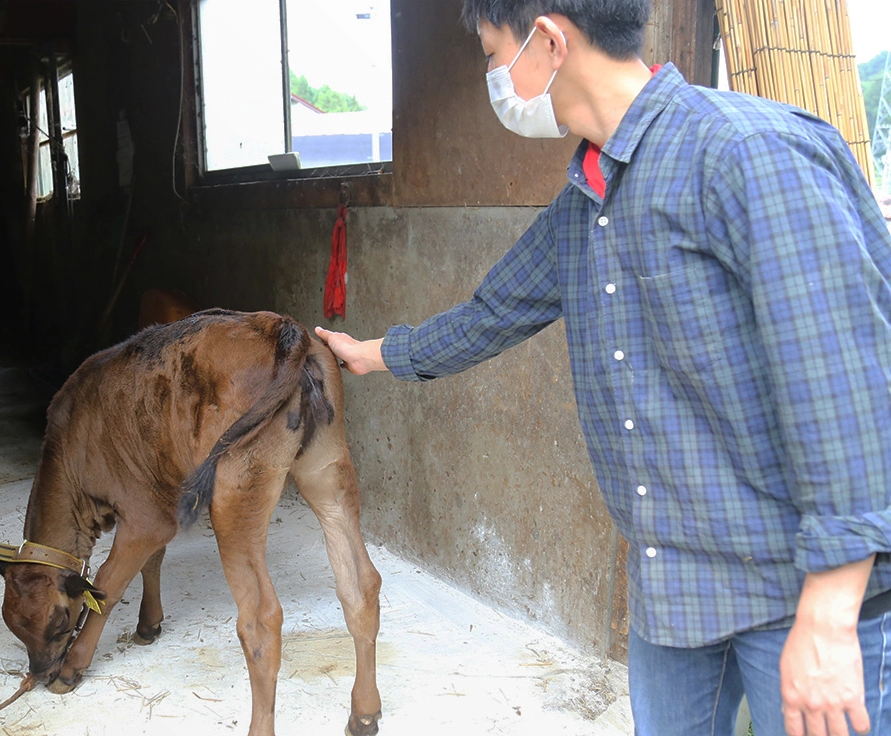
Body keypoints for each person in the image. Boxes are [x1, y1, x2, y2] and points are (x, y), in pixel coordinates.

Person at [314, 1, 891, 735]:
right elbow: (491, 313)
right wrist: (376, 354)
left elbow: (847, 390)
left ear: (550, 41)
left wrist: (832, 614)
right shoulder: (584, 201)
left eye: (494, 56)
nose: (495, 79)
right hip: (673, 589)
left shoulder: (749, 154)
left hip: (797, 593)